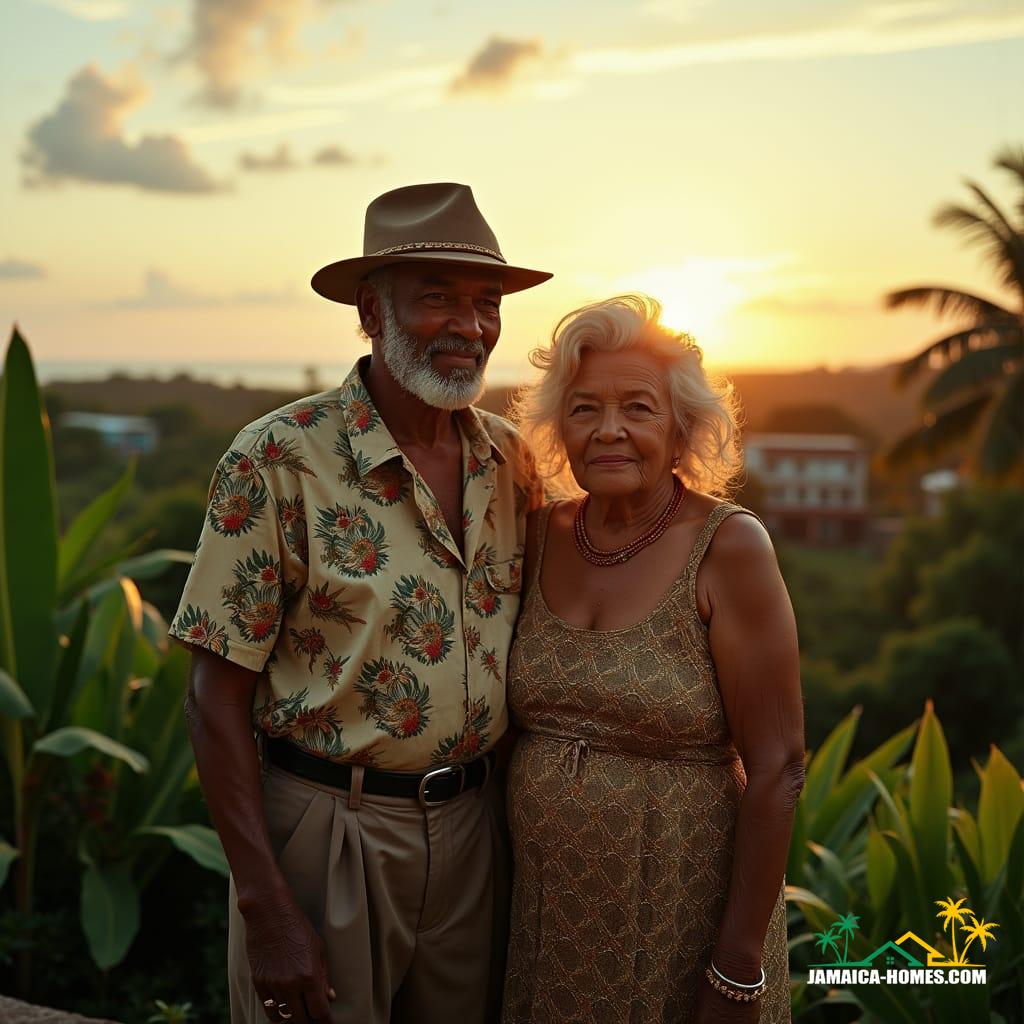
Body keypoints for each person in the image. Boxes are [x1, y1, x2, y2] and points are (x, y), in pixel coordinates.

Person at [169, 182, 551, 1024]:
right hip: (328, 832)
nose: (470, 325)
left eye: (486, 303)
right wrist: (265, 907)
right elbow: (213, 698)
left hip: (475, 835)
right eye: (437, 299)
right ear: (371, 314)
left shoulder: (514, 465)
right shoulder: (277, 458)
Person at [502, 295, 804, 1023]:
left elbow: (778, 768)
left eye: (638, 408)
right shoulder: (537, 535)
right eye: (583, 409)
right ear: (557, 428)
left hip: (682, 916)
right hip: (545, 919)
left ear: (681, 431)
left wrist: (734, 973)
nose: (609, 431)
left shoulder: (729, 547)